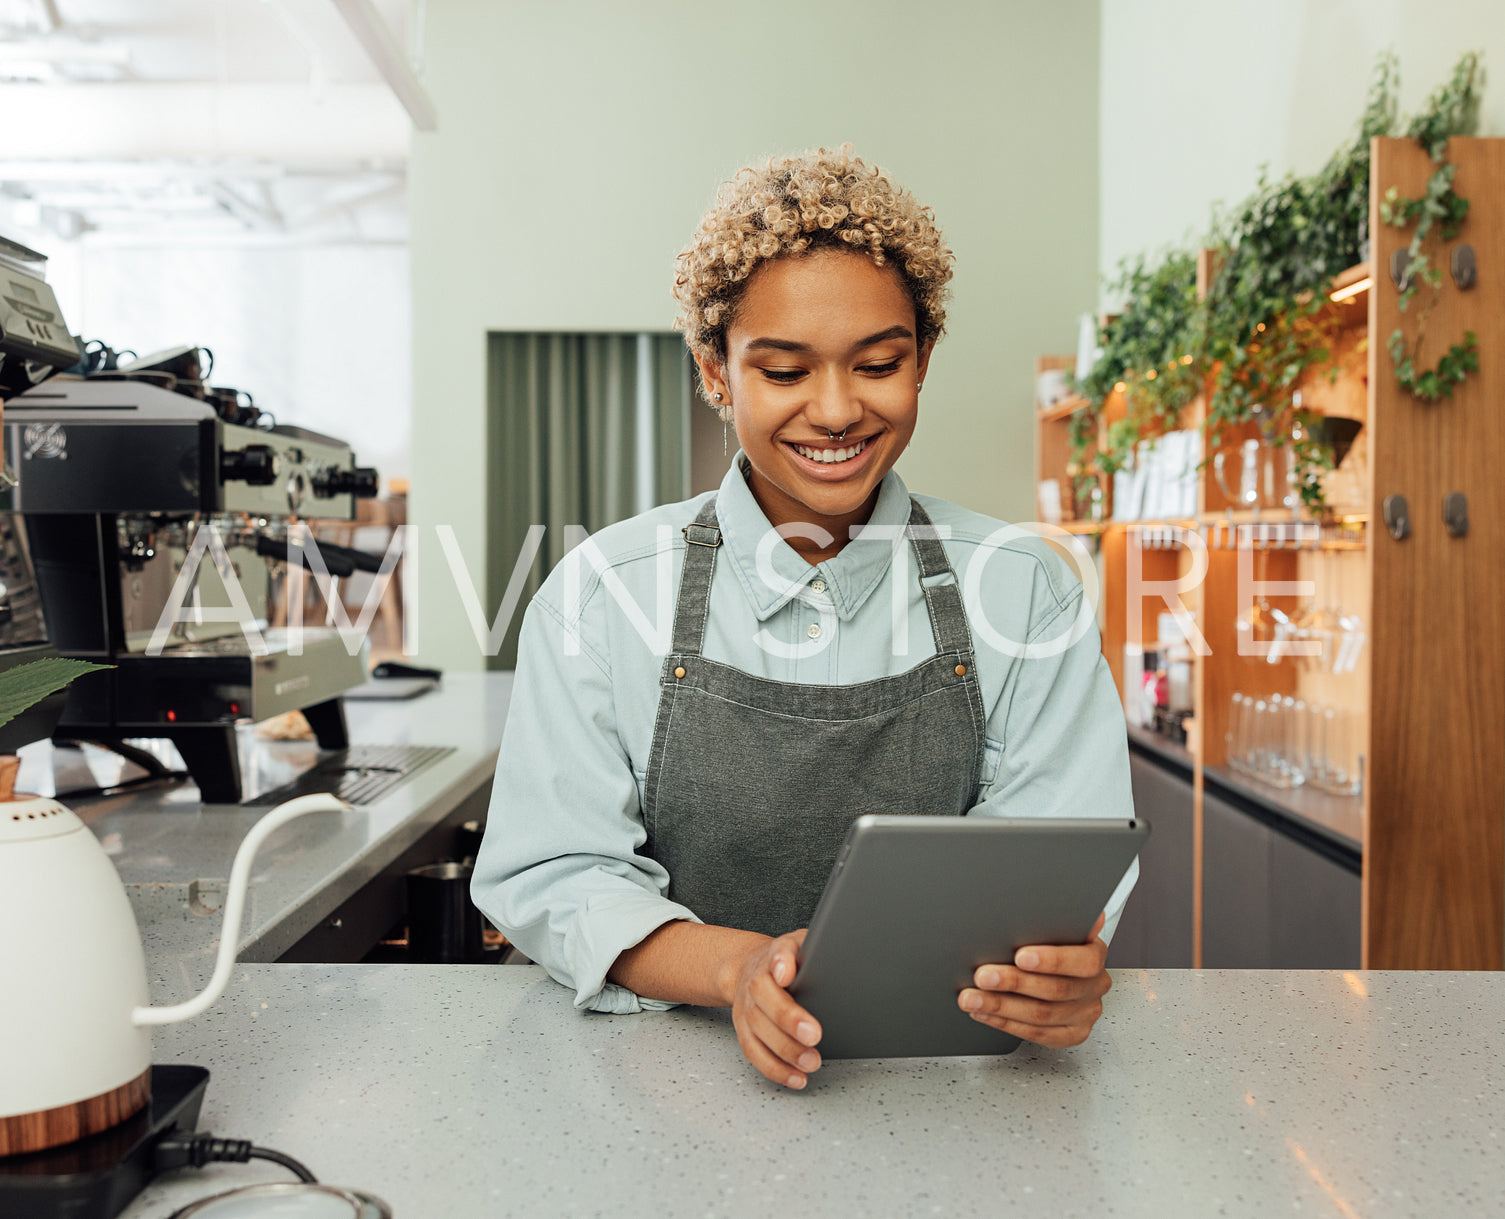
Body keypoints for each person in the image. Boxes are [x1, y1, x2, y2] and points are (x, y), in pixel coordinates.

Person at [472, 146, 1136, 1090]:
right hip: (661, 1085)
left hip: (950, 1089)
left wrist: (1052, 981)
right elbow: (556, 871)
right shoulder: (601, 592)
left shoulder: (1026, 590)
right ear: (715, 371)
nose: (835, 411)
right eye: (783, 370)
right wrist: (736, 969)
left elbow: (1066, 852)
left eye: (877, 364)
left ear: (922, 360)